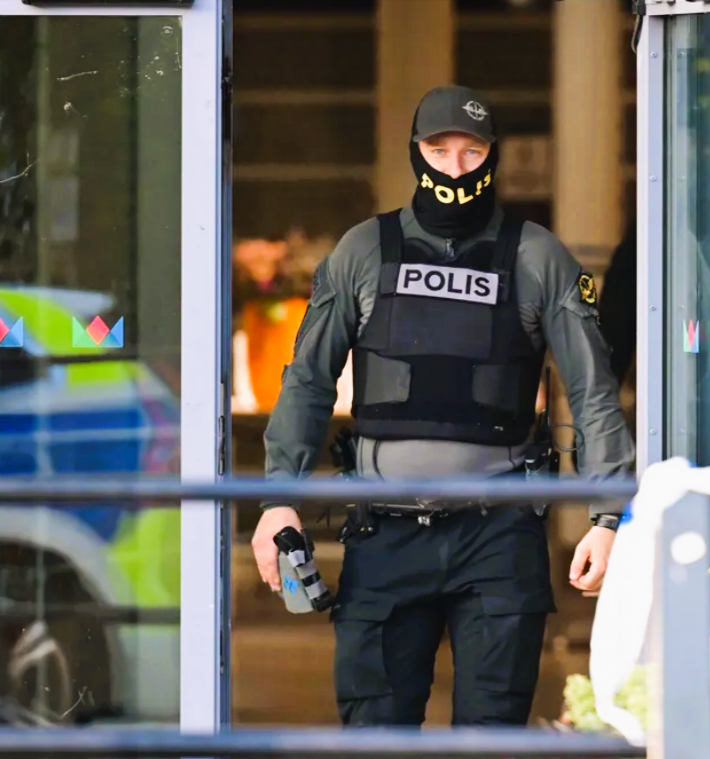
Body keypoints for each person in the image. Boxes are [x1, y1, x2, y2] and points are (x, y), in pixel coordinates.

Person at [252, 85, 636, 727]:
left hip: (499, 534)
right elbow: (308, 380)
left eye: (471, 151)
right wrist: (275, 497)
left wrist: (607, 515)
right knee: (375, 730)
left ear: (492, 156)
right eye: (439, 150)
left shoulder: (537, 255)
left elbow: (592, 390)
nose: (455, 167)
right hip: (386, 533)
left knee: (492, 733)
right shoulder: (363, 251)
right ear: (416, 154)